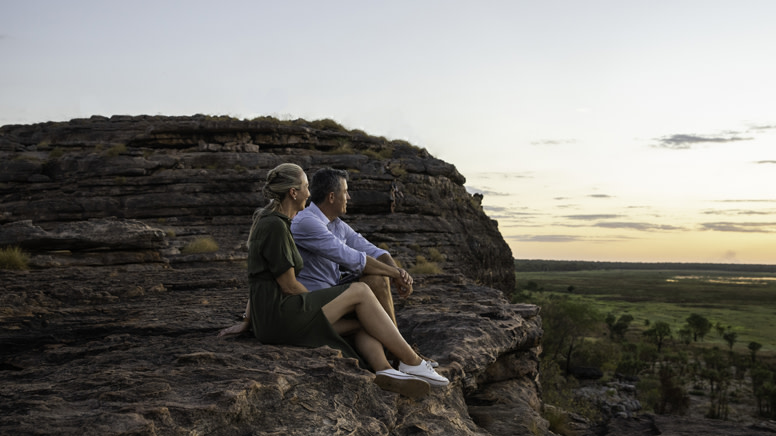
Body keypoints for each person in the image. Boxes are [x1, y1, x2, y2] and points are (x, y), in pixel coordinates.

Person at [218, 163, 448, 398]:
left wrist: (248, 319)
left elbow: (261, 276)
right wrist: (310, 310)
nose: (309, 193)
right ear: (293, 192)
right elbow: (286, 284)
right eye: (306, 187)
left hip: (278, 315)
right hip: (286, 315)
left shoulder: (274, 221)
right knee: (360, 291)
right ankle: (411, 360)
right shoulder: (283, 225)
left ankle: (386, 370)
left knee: (364, 321)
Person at [291, 168, 411, 328]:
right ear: (332, 197)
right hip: (312, 298)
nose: (349, 197)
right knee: (377, 277)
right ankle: (396, 346)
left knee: (377, 277)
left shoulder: (337, 224)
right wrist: (395, 274)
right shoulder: (307, 222)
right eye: (345, 192)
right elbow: (353, 260)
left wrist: (396, 270)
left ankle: (394, 345)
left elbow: (374, 251)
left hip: (332, 289)